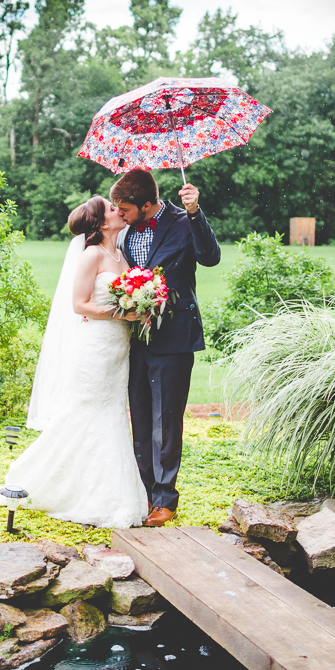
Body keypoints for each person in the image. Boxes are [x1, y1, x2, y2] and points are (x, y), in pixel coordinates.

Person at [0, 195, 149, 529]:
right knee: (88, 416)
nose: (118, 210)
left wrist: (143, 306)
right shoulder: (91, 254)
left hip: (119, 351)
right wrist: (123, 311)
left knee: (112, 416)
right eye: (111, 208)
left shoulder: (120, 252)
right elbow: (80, 305)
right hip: (94, 350)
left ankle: (103, 489)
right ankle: (70, 489)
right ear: (103, 223)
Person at [111, 168, 221, 527]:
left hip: (174, 337)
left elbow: (210, 257)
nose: (120, 215)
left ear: (146, 204)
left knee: (166, 421)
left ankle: (164, 499)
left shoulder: (181, 220)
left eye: (125, 209)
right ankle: (143, 492)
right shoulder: (126, 230)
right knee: (139, 417)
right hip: (134, 338)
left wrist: (195, 212)